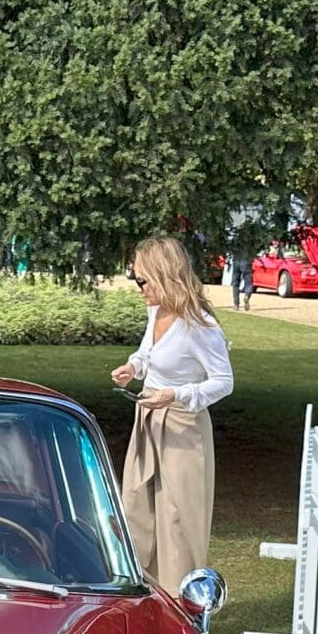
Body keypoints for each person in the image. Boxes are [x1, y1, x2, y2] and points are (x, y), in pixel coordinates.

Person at [109, 236, 232, 592]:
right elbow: (149, 352)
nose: (138, 288)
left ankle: (183, 603)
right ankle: (142, 593)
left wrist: (176, 394)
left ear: (164, 276)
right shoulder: (156, 311)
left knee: (178, 516)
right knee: (137, 506)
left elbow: (224, 382)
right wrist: (133, 366)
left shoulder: (200, 325)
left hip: (182, 426)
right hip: (148, 419)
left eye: (142, 281)